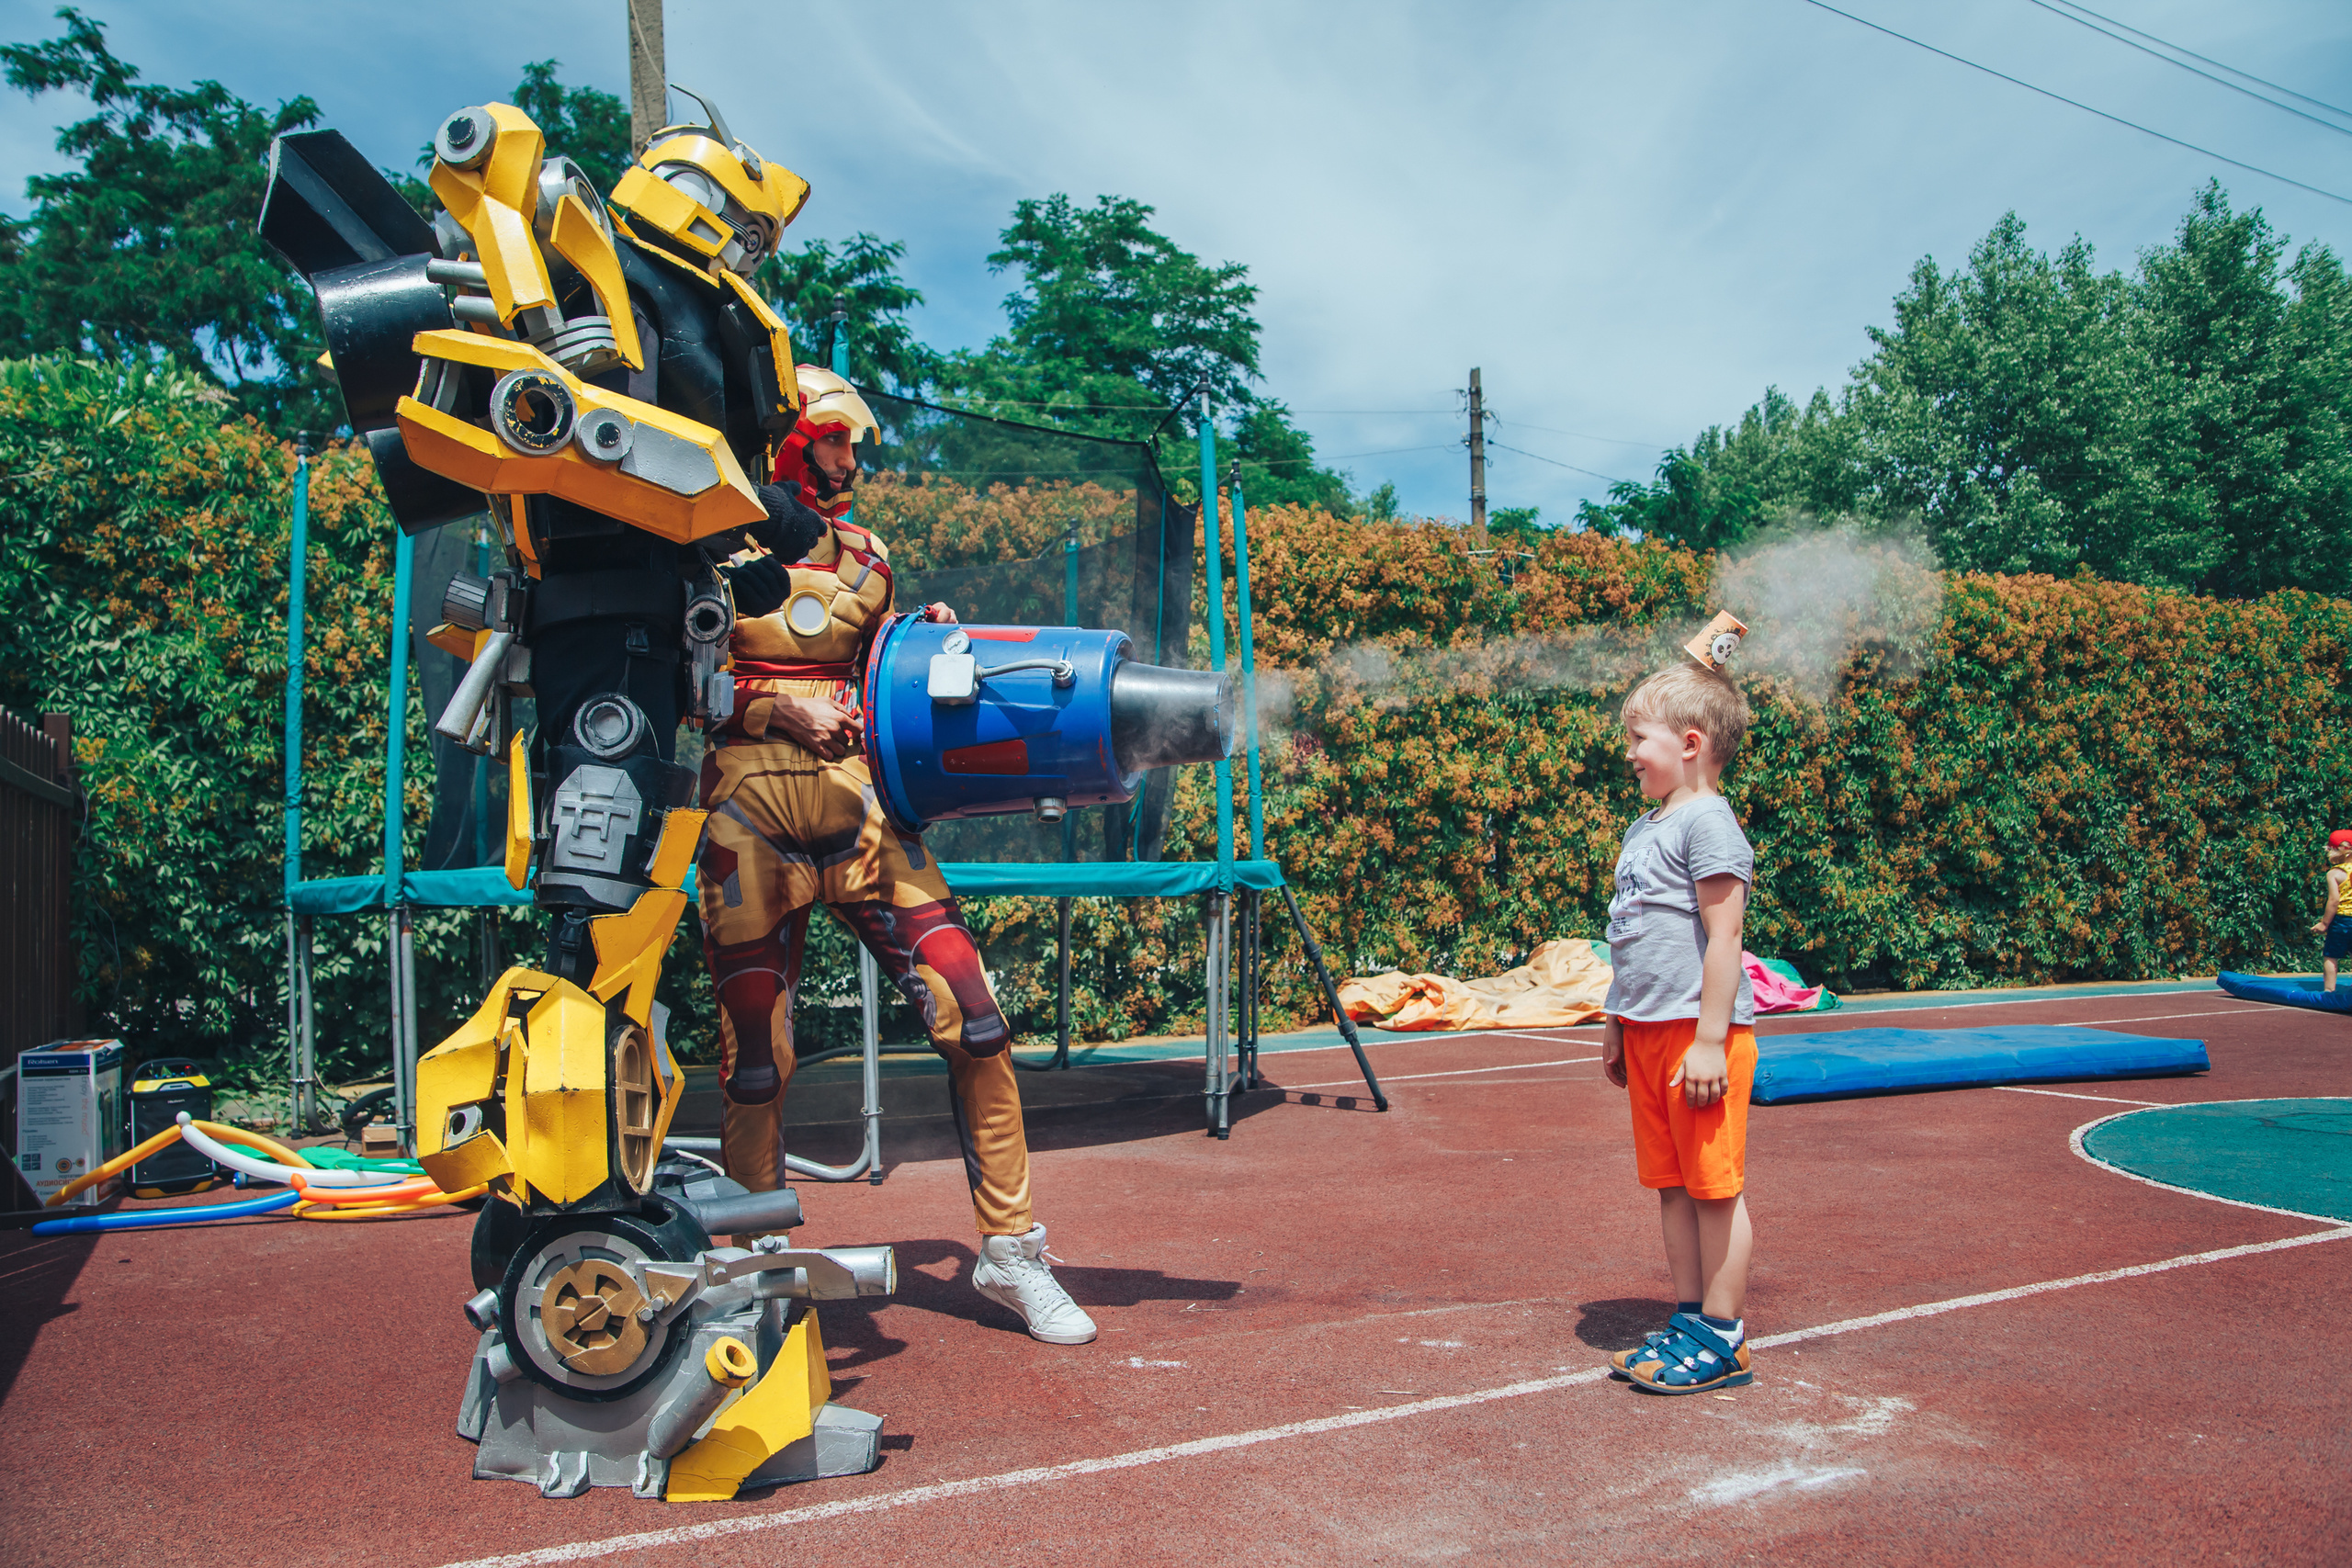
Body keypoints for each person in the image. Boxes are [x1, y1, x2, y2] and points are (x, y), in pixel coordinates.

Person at [695, 366, 1099, 1346]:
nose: (848, 460)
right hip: (745, 814)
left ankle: (1011, 1251)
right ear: (790, 437)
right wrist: (773, 708)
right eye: (834, 439)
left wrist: (926, 644)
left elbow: (887, 676)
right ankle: (753, 1264)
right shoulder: (701, 540)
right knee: (756, 1056)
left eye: (850, 443)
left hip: (865, 813)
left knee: (976, 1019)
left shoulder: (870, 559)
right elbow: (669, 679)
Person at [1598, 659, 1758, 1394]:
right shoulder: (1645, 827)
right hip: (1647, 1032)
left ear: (1690, 743)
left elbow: (1725, 937)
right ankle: (1691, 1317)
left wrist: (1709, 1040)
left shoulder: (1709, 822)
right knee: (1672, 1186)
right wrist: (1616, 1021)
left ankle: (1723, 1335)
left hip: (1698, 1037)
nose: (1630, 751)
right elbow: (1629, 931)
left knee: (1713, 1187)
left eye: (1640, 737)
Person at [2312, 829, 2352, 991]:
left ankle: (2329, 991)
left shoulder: (2335, 873)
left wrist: (2324, 923)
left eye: (2331, 849)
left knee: (2330, 956)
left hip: (2342, 920)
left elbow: (2334, 901)